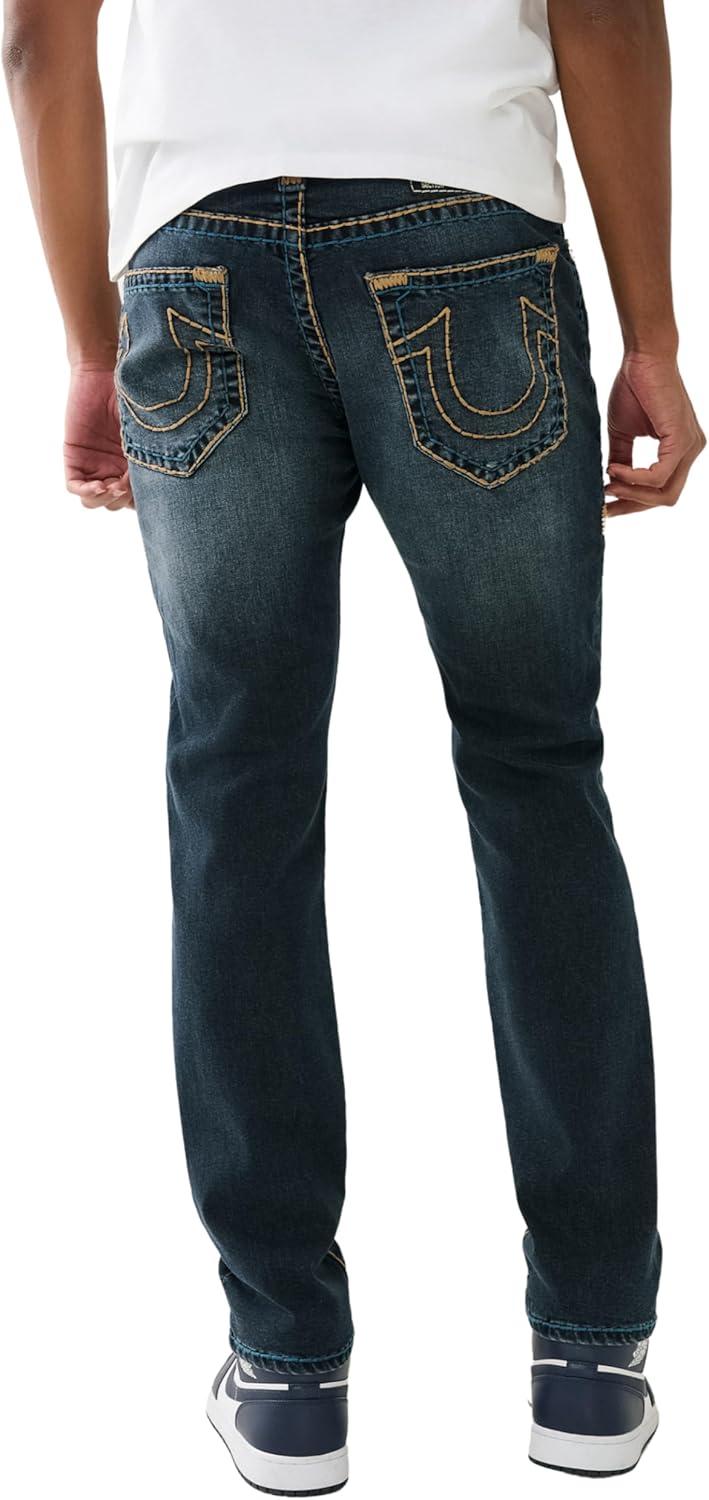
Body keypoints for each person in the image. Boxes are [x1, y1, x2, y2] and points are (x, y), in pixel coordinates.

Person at [4, 0, 704, 1488]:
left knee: (236, 788)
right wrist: (651, 334)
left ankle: (285, 1373)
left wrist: (88, 340)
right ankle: (589, 1360)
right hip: (469, 239)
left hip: (195, 253)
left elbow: (35, 39)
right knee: (534, 771)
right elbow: (598, 9)